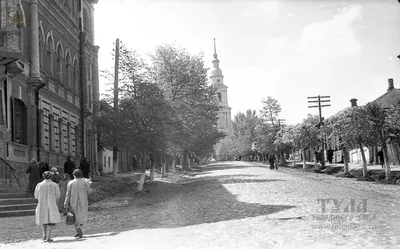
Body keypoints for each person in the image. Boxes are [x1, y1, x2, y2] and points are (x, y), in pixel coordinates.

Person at [64, 169, 92, 239]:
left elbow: (68, 194)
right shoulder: (85, 181)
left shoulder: (70, 183)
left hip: (73, 200)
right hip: (83, 200)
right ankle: (78, 228)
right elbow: (89, 191)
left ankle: (77, 230)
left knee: (74, 214)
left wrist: (65, 203)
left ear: (74, 175)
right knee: (81, 214)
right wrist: (90, 189)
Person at [34, 171, 61, 242]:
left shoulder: (39, 185)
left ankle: (44, 234)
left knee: (44, 218)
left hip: (42, 203)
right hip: (51, 203)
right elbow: (58, 195)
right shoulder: (54, 185)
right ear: (51, 176)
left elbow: (36, 195)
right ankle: (48, 236)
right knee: (50, 220)